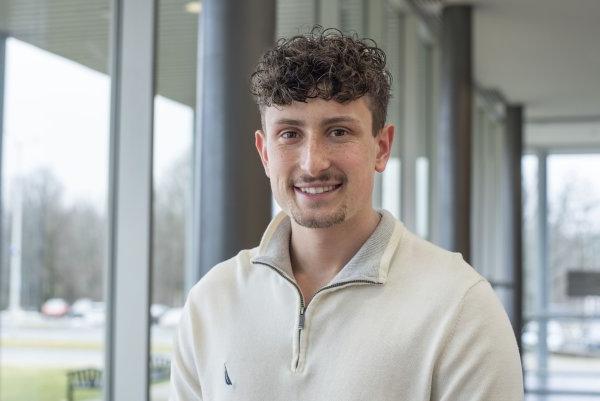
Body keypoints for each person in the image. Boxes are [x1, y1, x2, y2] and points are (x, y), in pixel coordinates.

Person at [169, 27, 524, 401]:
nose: (313, 163)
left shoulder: (460, 308)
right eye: (290, 134)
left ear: (382, 148)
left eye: (338, 132)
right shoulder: (211, 301)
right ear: (265, 153)